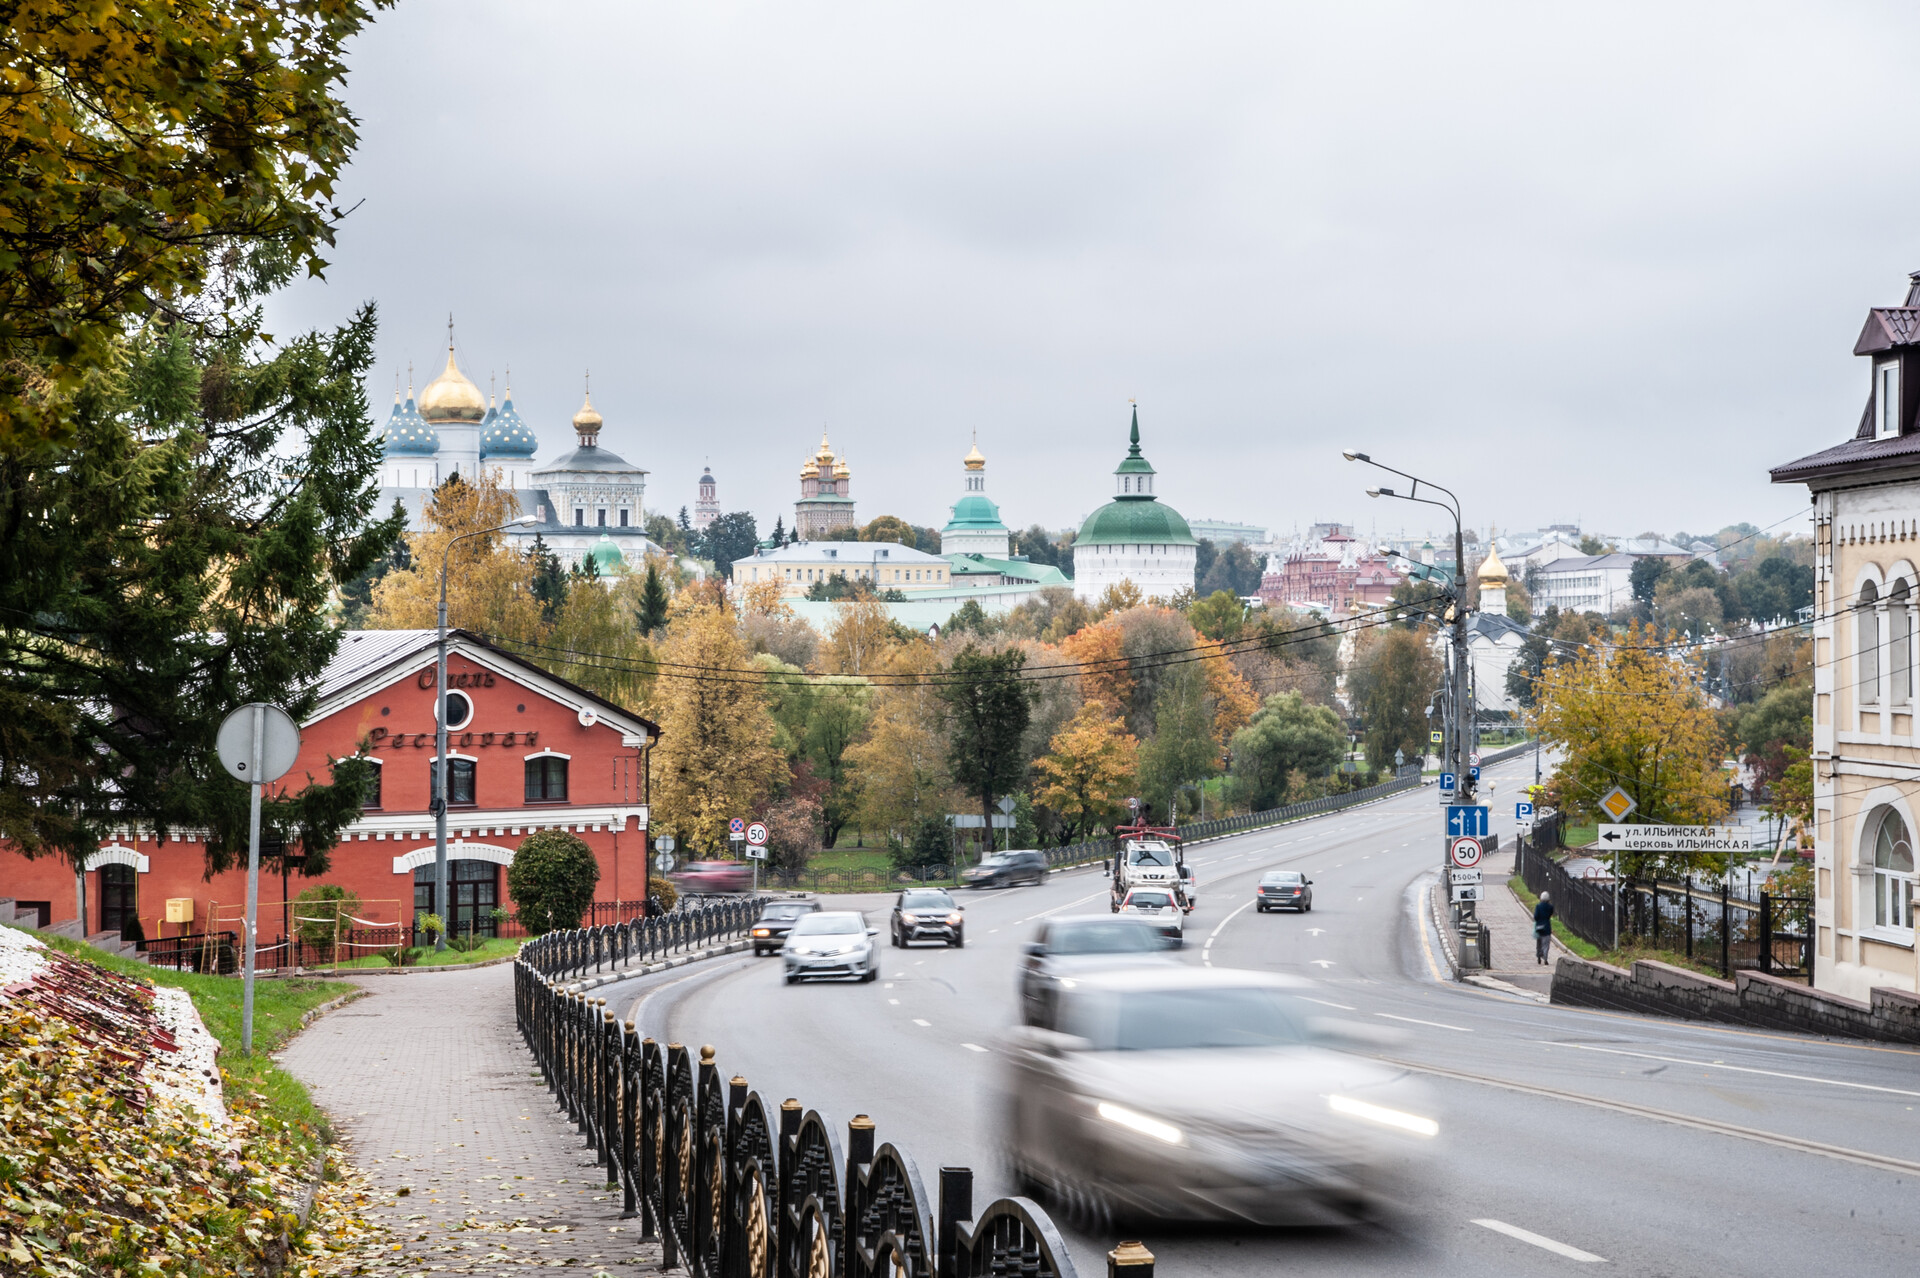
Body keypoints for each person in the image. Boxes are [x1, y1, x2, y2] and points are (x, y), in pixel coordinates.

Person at [1533, 891, 1556, 964]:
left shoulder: (1538, 906)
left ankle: (1539, 956)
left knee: (1539, 943)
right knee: (1546, 944)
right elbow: (1550, 914)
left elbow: (1536, 917)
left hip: (1539, 927)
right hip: (1547, 927)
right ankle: (1545, 958)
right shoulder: (1550, 907)